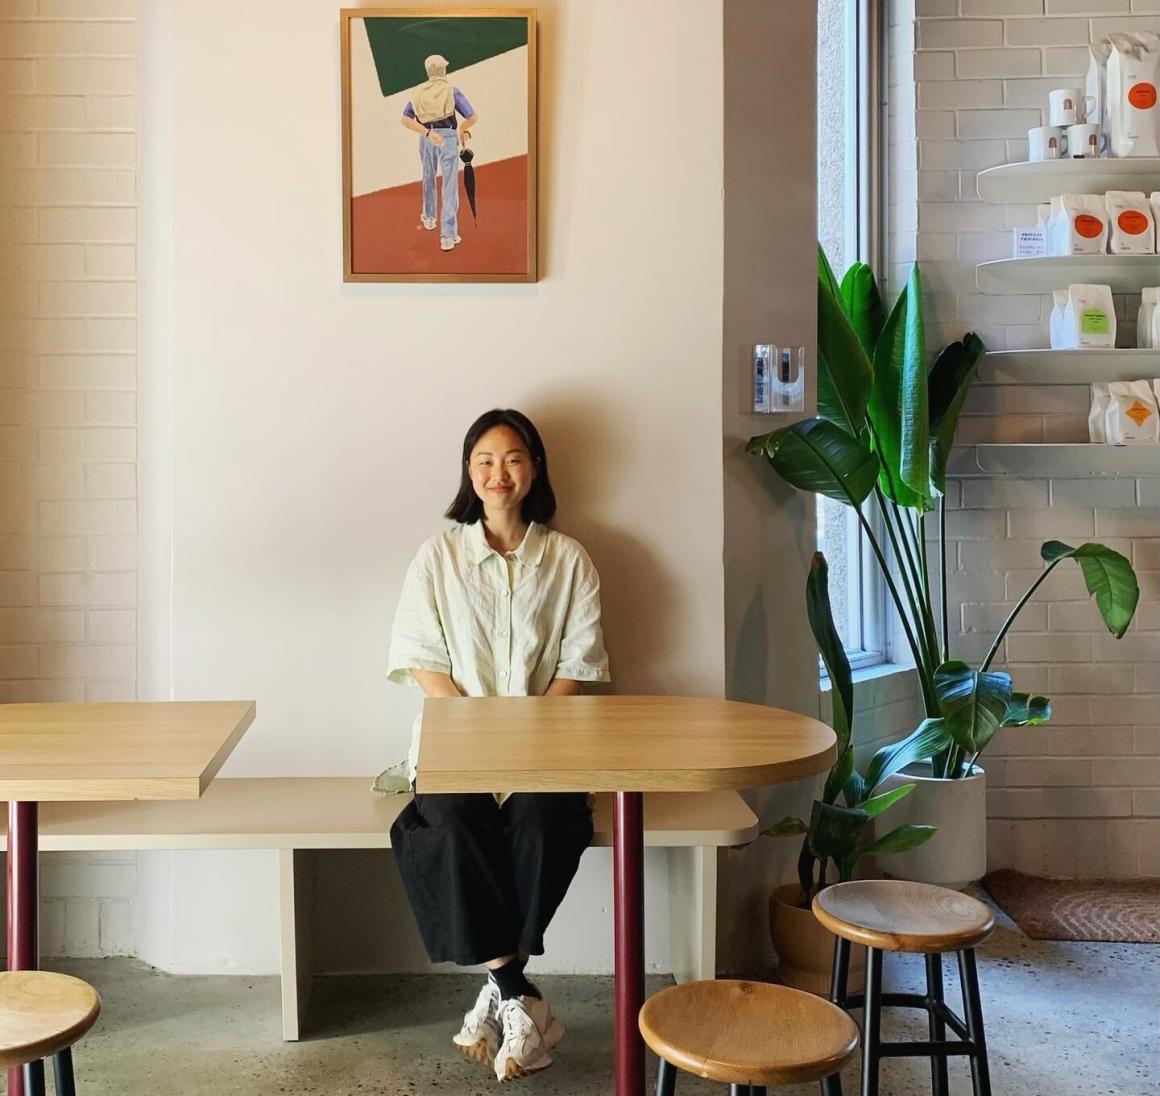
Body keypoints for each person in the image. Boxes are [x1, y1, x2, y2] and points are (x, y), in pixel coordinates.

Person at [387, 408, 611, 1082]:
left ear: (535, 467)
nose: (498, 472)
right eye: (484, 459)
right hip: (456, 748)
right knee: (447, 828)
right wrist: (481, 735)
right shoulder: (438, 556)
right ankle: (519, 996)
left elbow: (579, 664)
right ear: (468, 472)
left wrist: (527, 738)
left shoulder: (569, 559)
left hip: (548, 750)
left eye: (513, 458)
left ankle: (503, 992)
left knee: (548, 823)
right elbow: (420, 658)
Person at [400, 54, 478, 253]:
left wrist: (427, 133)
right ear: (443, 70)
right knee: (449, 185)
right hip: (448, 139)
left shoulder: (417, 93)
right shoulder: (452, 91)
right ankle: (448, 235)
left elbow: (406, 120)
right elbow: (472, 117)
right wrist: (462, 130)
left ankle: (428, 218)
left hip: (426, 138)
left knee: (428, 177)